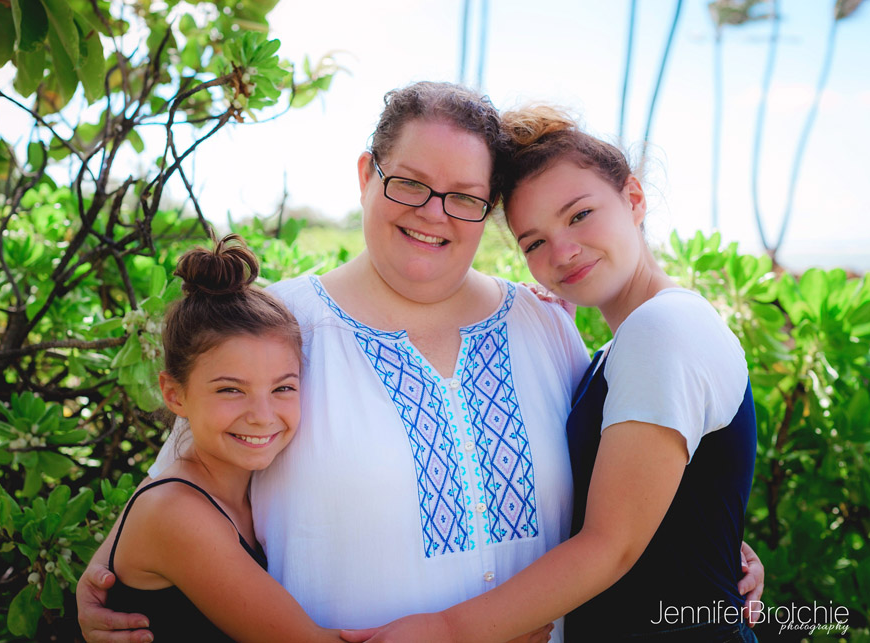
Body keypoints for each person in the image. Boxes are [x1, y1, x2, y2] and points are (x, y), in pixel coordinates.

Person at [77, 84, 762, 643]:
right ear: (366, 175)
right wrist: (106, 568)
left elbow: (627, 485)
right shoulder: (281, 328)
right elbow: (187, 473)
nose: (433, 213)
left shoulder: (545, 325)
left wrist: (714, 544)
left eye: (464, 196)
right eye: (409, 183)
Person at [339, 105, 761, 642]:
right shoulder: (618, 347)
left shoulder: (664, 327)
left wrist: (445, 631)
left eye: (580, 215)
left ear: (633, 199)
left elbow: (612, 545)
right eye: (533, 242)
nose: (562, 251)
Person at [102, 234, 340, 641]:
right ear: (175, 394)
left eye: (283, 388)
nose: (263, 417)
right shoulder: (176, 512)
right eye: (231, 390)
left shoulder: (253, 494)